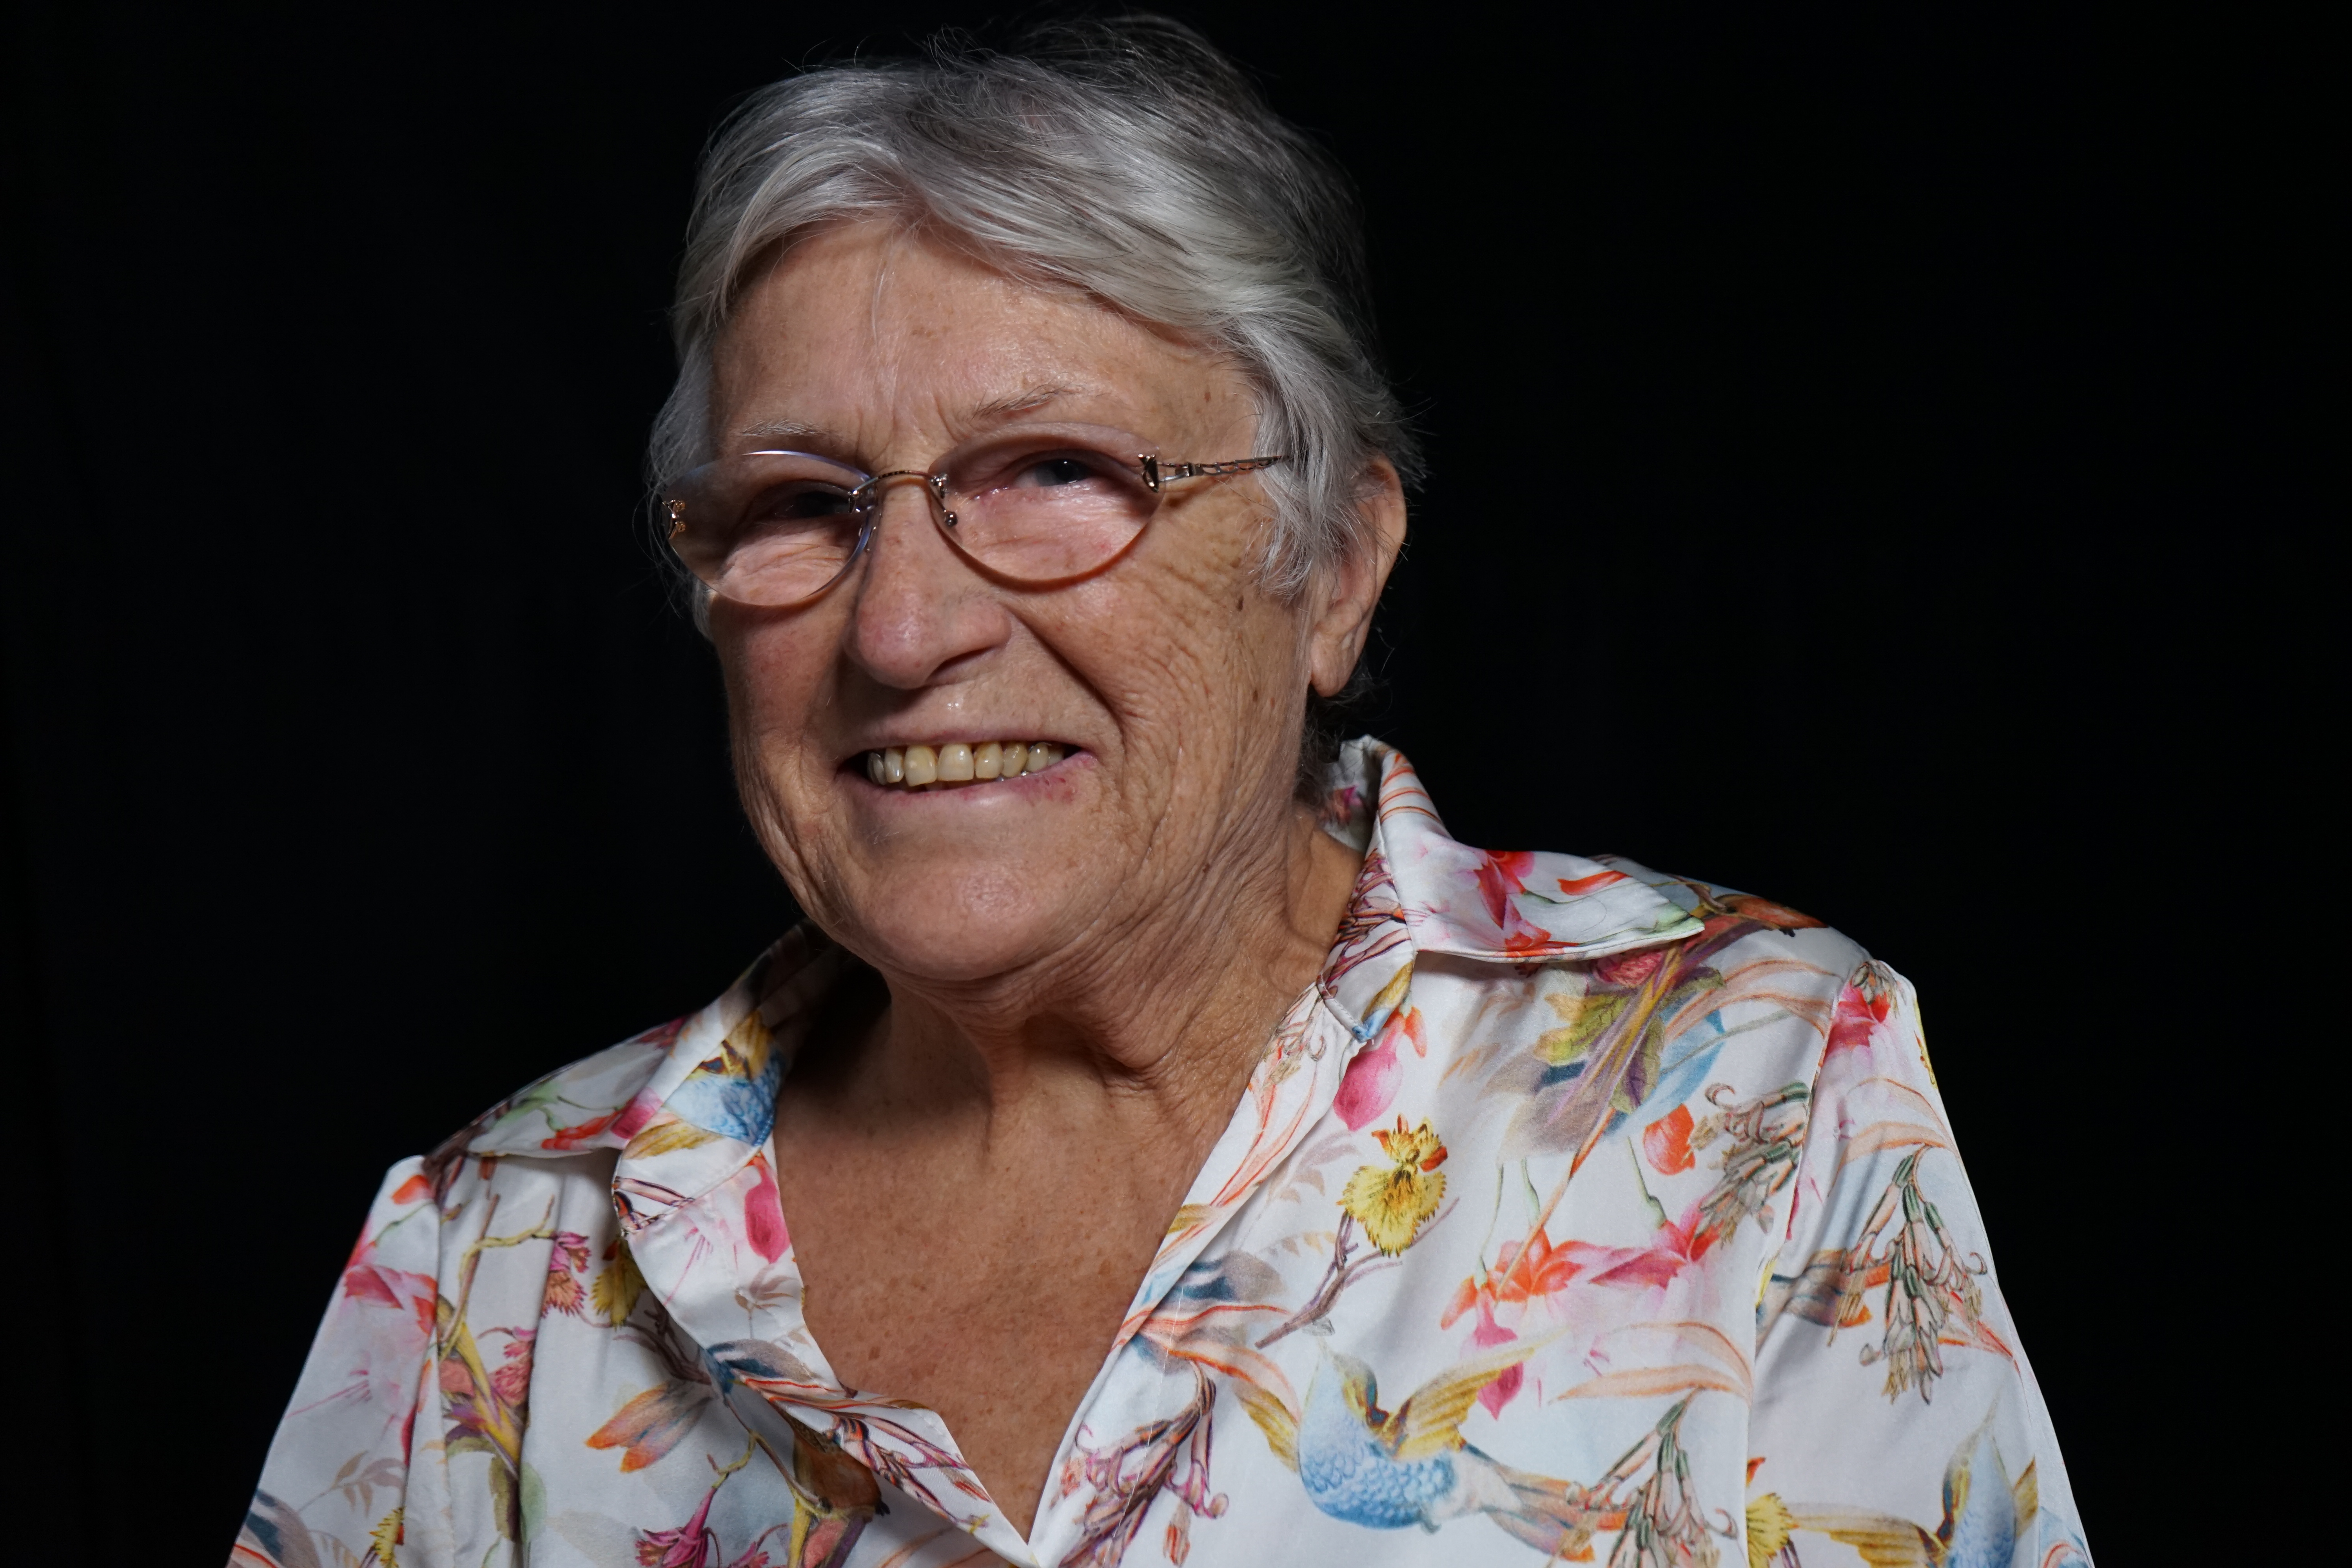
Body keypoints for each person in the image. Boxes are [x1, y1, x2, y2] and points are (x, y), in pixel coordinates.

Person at [235, 20, 2089, 1568]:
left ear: (1334, 566)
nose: (902, 627)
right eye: (802, 504)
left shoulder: (1750, 1091)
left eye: (1056, 472)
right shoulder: (492, 1255)